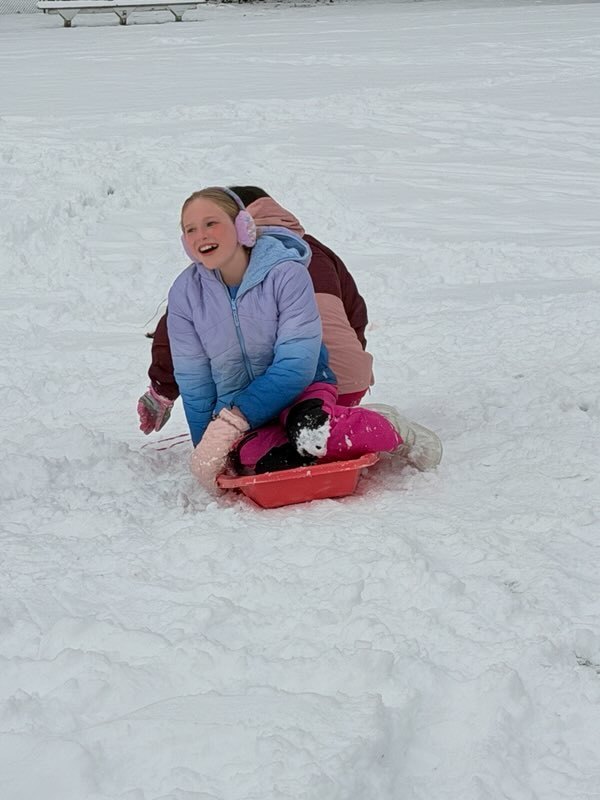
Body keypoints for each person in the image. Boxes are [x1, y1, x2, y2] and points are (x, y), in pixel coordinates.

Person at [161, 186, 441, 488]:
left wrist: (234, 421)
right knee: (255, 460)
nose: (201, 234)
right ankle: (318, 436)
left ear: (242, 226)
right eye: (190, 229)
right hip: (238, 403)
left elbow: (297, 364)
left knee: (312, 434)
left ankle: (390, 426)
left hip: (300, 388)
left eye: (211, 223)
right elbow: (195, 380)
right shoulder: (185, 295)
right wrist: (207, 444)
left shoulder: (287, 274)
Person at [137, 185, 374, 435]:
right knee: (272, 446)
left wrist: (161, 391)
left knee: (284, 431)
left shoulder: (252, 265)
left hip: (307, 387)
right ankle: (341, 424)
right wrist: (349, 360)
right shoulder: (314, 251)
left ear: (241, 222)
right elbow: (355, 315)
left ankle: (358, 427)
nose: (204, 234)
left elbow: (174, 336)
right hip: (348, 383)